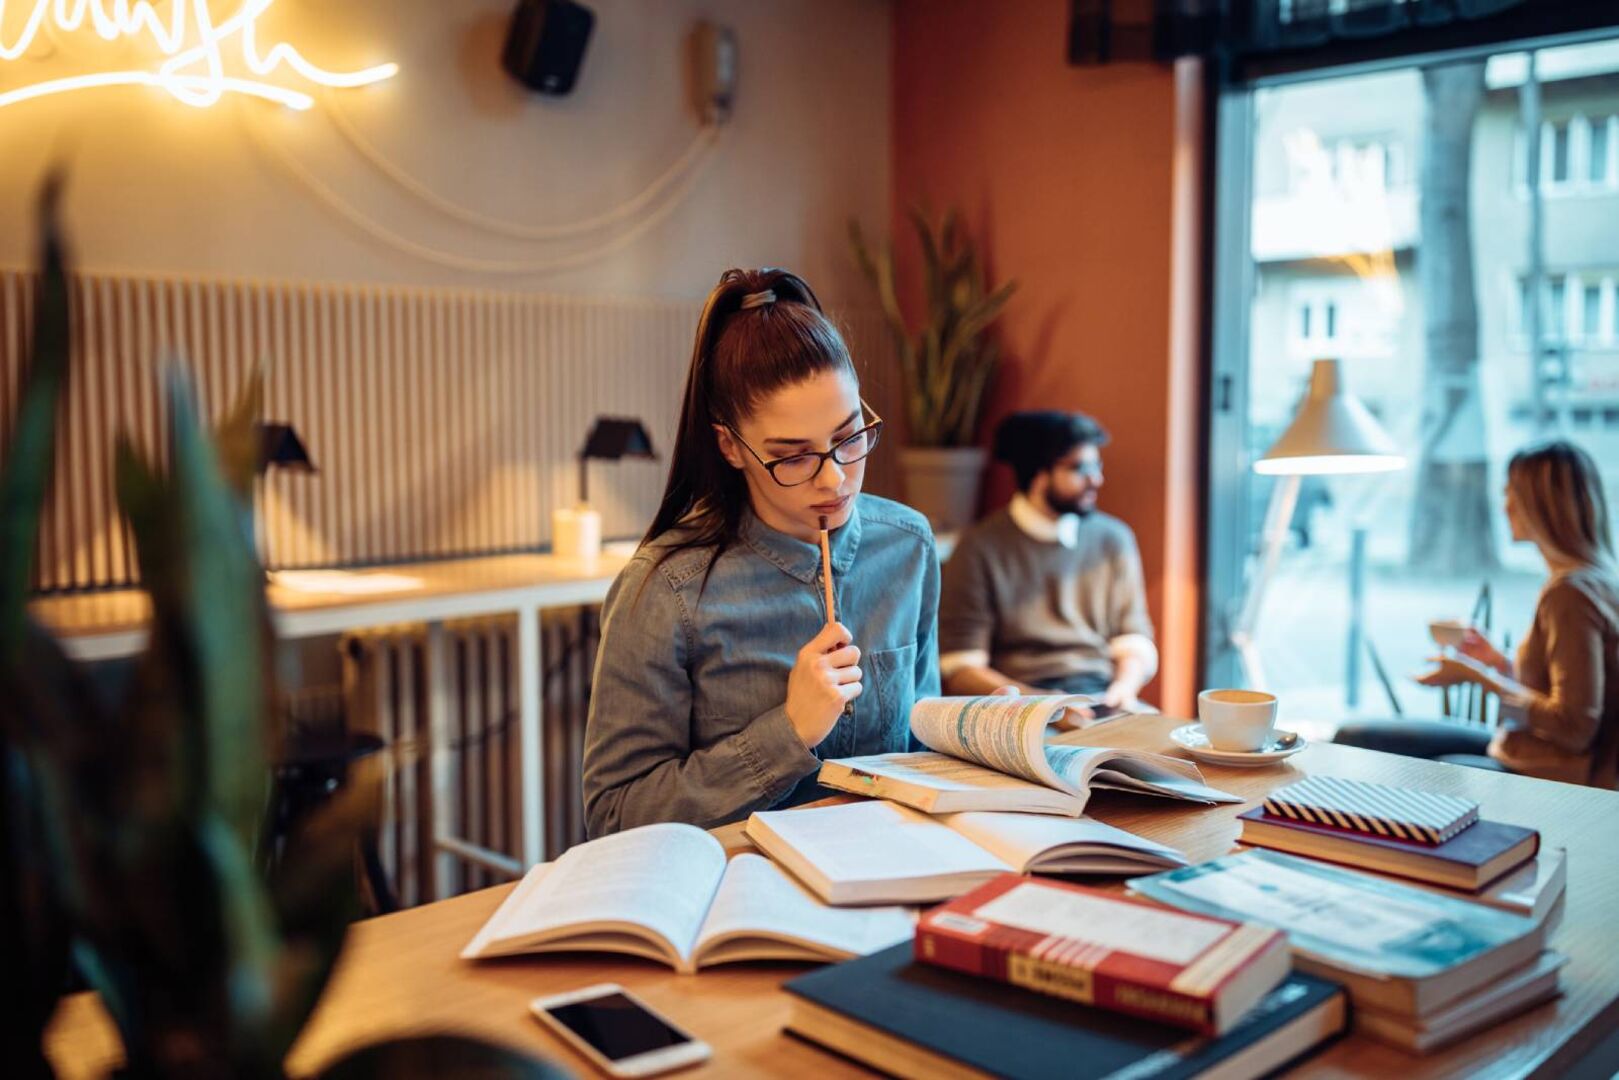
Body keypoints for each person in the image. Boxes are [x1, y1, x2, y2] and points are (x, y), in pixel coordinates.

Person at [582, 268, 940, 836]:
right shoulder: (666, 589)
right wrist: (790, 730)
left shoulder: (907, 545)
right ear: (731, 446)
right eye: (794, 457)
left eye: (849, 438)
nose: (835, 480)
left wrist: (979, 736)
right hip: (743, 881)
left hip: (888, 867)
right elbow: (614, 816)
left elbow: (920, 744)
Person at [1335, 441, 1619, 788]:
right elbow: (1570, 690)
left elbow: (1574, 727)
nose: (1505, 506)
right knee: (1358, 735)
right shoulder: (1599, 580)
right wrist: (1499, 663)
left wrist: (1478, 677)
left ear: (1540, 505)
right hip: (1521, 751)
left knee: (1375, 753)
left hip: (1545, 771)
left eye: (1510, 493)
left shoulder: (1570, 594)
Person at [937, 410, 1155, 714]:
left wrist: (1124, 689)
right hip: (1021, 708)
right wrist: (1045, 706)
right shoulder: (979, 548)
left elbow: (1134, 638)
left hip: (1105, 700)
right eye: (1080, 468)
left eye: (1097, 465)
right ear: (1038, 475)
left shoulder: (1114, 539)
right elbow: (961, 668)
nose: (1096, 479)